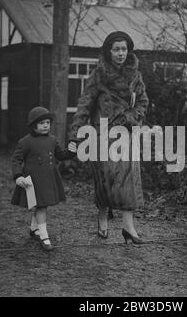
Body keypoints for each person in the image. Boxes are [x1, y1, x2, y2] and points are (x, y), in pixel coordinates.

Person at [69, 31, 149, 244]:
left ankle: (128, 227)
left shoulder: (135, 76)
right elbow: (84, 104)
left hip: (127, 133)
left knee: (129, 178)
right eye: (116, 49)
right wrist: (75, 135)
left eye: (124, 49)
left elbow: (142, 103)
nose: (121, 53)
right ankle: (102, 215)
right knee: (105, 180)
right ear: (108, 51)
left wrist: (129, 117)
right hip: (102, 134)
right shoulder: (98, 75)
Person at [11, 106, 77, 251]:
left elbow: (60, 155)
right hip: (33, 180)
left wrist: (71, 152)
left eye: (47, 122)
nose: (46, 125)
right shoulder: (25, 142)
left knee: (41, 204)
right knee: (41, 206)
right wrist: (18, 176)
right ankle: (44, 235)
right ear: (34, 126)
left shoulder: (52, 140)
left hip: (48, 178)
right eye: (42, 123)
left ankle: (35, 227)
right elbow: (16, 160)